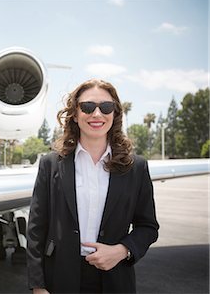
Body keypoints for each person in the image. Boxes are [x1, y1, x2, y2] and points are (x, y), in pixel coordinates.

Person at [26, 78, 159, 293]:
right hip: (59, 279)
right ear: (75, 115)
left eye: (106, 107)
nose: (96, 114)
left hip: (115, 279)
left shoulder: (136, 168)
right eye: (87, 107)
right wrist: (38, 285)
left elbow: (148, 227)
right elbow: (35, 230)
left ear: (114, 114)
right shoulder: (50, 165)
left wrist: (121, 250)